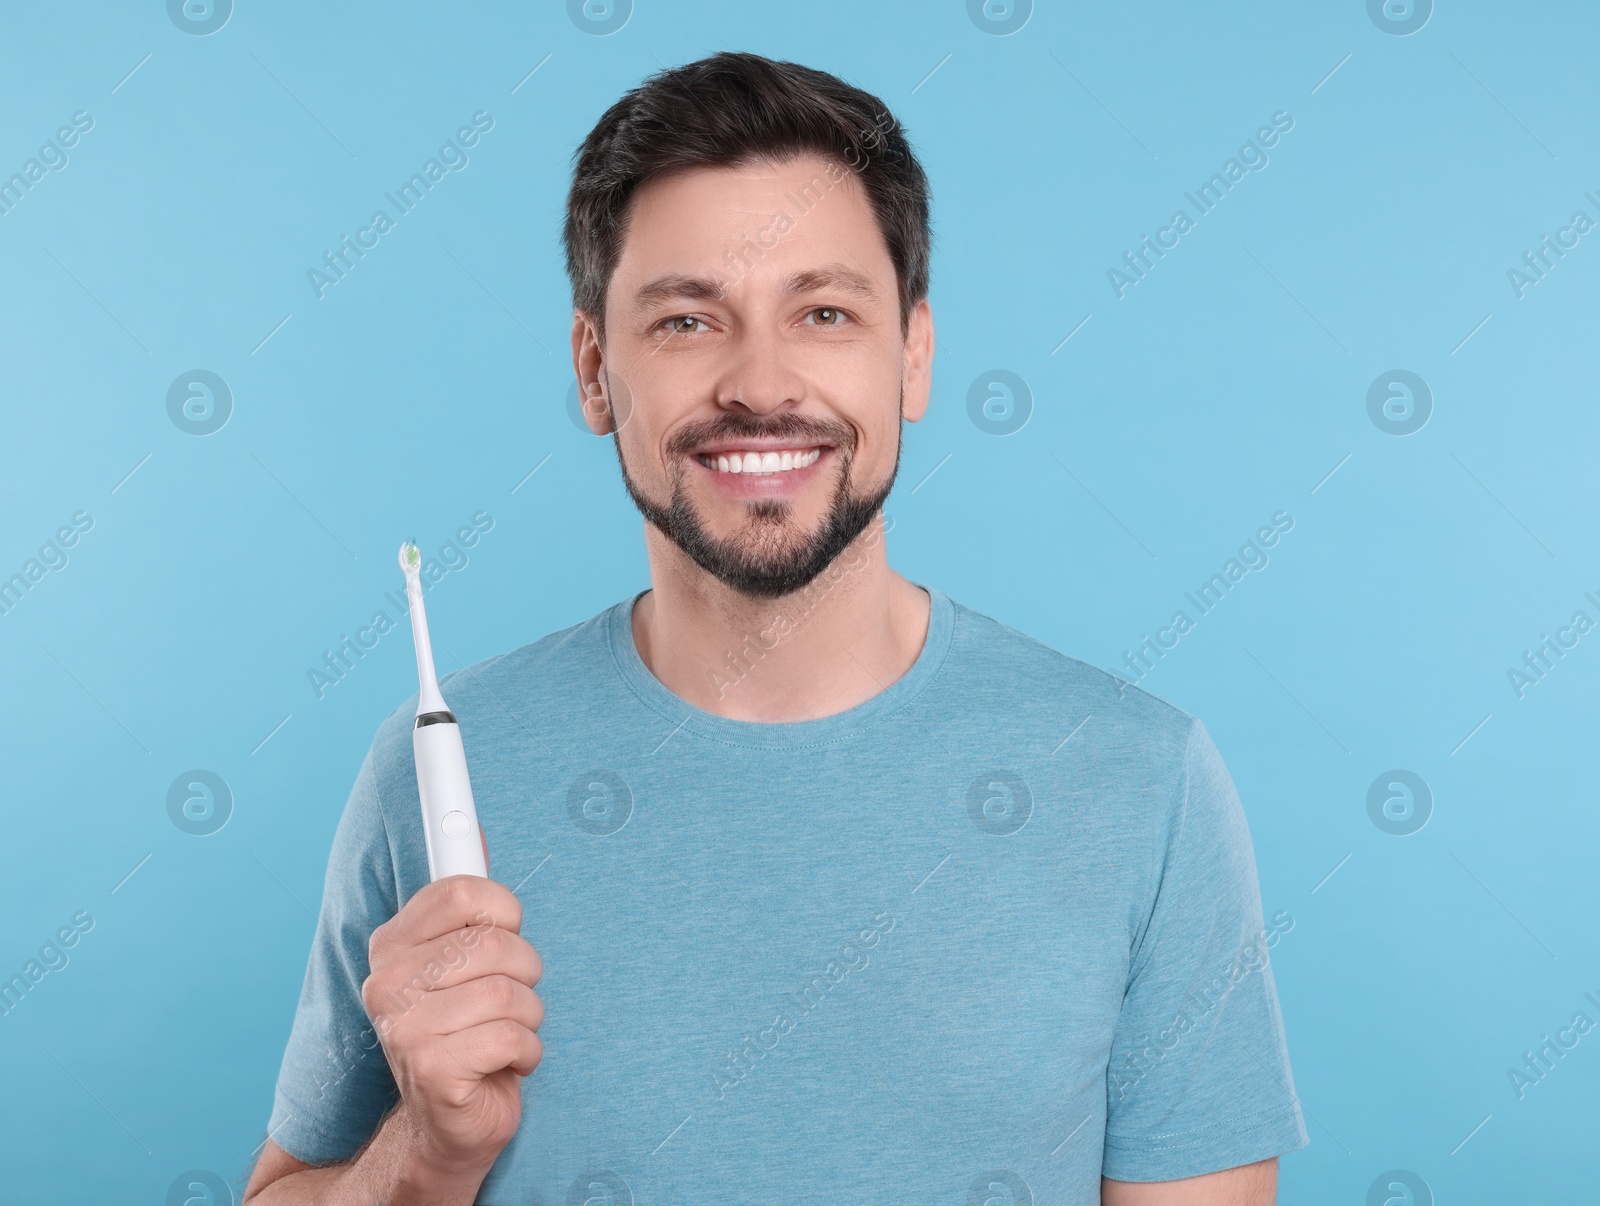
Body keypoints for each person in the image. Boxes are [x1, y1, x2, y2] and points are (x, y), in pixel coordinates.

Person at [244, 51, 1307, 1205]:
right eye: (689, 319)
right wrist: (427, 1155)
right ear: (596, 372)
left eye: (824, 311)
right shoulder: (434, 765)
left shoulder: (1141, 781)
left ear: (912, 355)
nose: (760, 383)